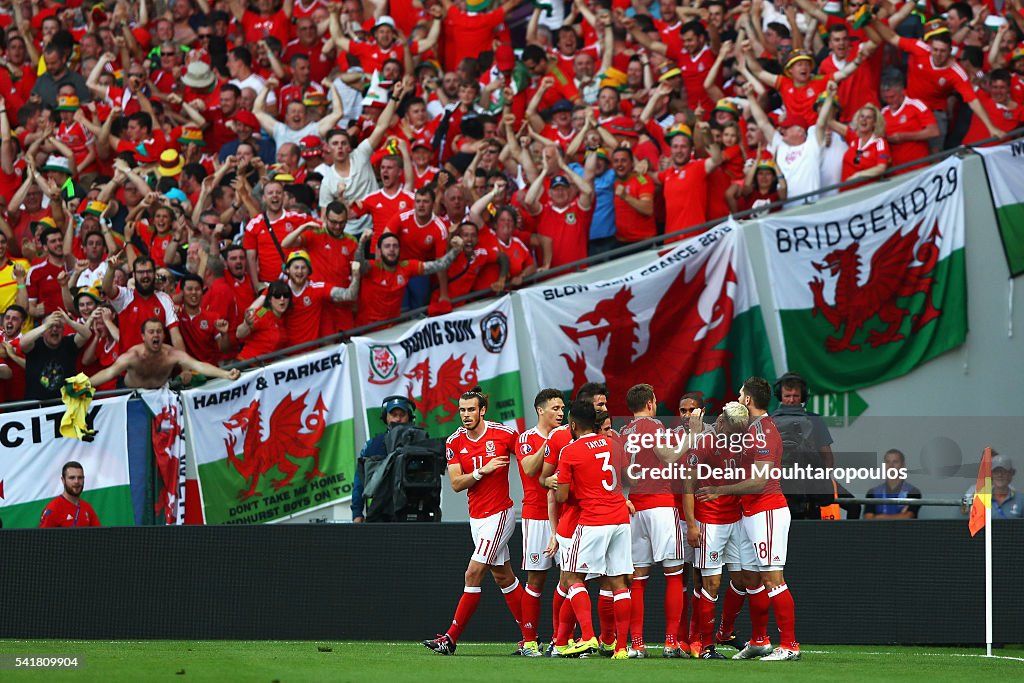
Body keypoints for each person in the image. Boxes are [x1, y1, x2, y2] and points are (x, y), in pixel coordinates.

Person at [423, 389, 534, 656]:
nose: (466, 415)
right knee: (503, 576)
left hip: (500, 514)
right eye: (462, 410)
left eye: (471, 410)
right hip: (477, 517)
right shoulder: (454, 441)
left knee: (472, 573)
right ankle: (530, 638)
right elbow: (456, 483)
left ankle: (450, 638)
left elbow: (528, 463)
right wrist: (480, 471)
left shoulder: (504, 434)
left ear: (482, 410)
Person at [696, 376, 799, 661]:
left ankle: (789, 646)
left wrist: (720, 490)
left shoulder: (764, 431)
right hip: (749, 514)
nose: (739, 398)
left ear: (749, 400)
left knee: (773, 578)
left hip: (767, 510)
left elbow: (759, 481)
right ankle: (759, 640)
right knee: (751, 578)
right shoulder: (750, 429)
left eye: (741, 394)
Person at [553, 398, 634, 660]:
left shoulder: (570, 451)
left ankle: (587, 636)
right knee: (619, 583)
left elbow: (563, 497)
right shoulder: (613, 444)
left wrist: (561, 483)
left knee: (573, 578)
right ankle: (620, 648)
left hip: (593, 520)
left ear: (573, 424)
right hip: (620, 519)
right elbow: (626, 479)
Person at [619, 383, 689, 659]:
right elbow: (668, 456)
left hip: (634, 507)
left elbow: (624, 475)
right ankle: (671, 641)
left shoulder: (622, 432)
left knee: (637, 579)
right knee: (673, 573)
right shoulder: (655, 426)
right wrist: (690, 439)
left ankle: (637, 644)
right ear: (650, 403)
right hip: (660, 505)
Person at [514, 388, 565, 656]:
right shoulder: (527, 438)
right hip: (536, 516)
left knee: (571, 578)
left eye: (562, 408)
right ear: (540, 410)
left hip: (566, 516)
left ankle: (561, 639)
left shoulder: (568, 436)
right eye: (555, 408)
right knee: (536, 579)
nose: (560, 412)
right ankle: (530, 640)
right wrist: (551, 442)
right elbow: (530, 469)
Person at [88, 319, 240, 389]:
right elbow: (108, 373)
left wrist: (225, 374)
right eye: (151, 332)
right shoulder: (133, 355)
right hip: (131, 394)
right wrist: (83, 384)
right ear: (143, 336)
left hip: (161, 394)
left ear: (163, 335)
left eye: (159, 332)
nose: (156, 335)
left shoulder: (172, 354)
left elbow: (198, 365)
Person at [771, 372, 836, 519]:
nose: (792, 400)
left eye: (796, 396)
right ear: (780, 396)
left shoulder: (814, 420)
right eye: (787, 396)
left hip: (807, 495)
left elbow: (827, 457)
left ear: (803, 397)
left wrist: (820, 483)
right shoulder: (768, 421)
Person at [351, 395, 420, 523]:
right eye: (394, 414)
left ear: (409, 417)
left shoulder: (420, 442)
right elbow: (359, 481)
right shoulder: (372, 446)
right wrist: (357, 513)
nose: (398, 419)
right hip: (379, 513)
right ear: (386, 417)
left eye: (402, 414)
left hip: (413, 512)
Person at [19, 310, 94, 401]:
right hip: (37, 406)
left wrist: (69, 322)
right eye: (50, 326)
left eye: (58, 326)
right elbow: (22, 343)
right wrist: (46, 324)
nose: (54, 329)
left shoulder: (69, 343)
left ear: (63, 330)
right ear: (42, 331)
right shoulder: (35, 345)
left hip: (63, 404)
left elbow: (87, 334)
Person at [864, 449, 922, 519]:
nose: (891, 466)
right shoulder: (872, 492)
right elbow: (868, 518)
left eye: (895, 462)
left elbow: (908, 516)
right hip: (878, 530)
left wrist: (877, 517)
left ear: (903, 465)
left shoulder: (913, 492)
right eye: (887, 462)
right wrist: (900, 516)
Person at [960, 454, 1023, 519]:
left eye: (1004, 472)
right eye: (996, 472)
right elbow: (964, 507)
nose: (1000, 475)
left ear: (1011, 473)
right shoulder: (978, 493)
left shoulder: (1019, 497)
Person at [39, 461, 101, 528]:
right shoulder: (53, 508)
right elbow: (43, 537)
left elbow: (100, 536)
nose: (76, 481)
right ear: (63, 480)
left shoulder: (87, 508)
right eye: (72, 478)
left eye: (80, 478)